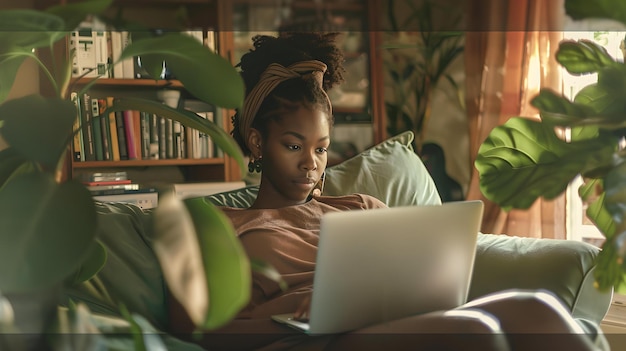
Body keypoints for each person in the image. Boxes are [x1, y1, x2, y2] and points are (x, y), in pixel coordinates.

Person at [167, 32, 601, 351]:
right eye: (293, 146)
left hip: (397, 321)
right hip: (313, 340)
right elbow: (191, 329)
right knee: (474, 332)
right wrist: (295, 309)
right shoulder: (220, 226)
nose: (311, 163)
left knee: (537, 308)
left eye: (320, 148)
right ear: (259, 143)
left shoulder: (363, 207)